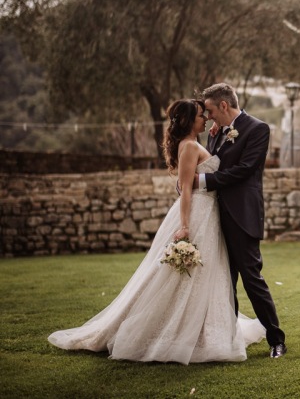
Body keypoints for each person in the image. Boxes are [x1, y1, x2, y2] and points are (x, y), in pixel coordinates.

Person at [48, 99, 266, 364]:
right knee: (181, 276)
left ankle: (203, 330)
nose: (206, 118)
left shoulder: (199, 142)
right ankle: (173, 331)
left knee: (204, 276)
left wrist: (216, 137)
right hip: (196, 213)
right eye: (200, 115)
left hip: (209, 214)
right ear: (188, 121)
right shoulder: (189, 147)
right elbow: (185, 189)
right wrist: (185, 226)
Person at [197, 83, 287, 358]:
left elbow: (245, 170)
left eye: (210, 110)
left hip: (242, 215)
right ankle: (229, 339)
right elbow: (216, 161)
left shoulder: (258, 129)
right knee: (224, 280)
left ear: (224, 105)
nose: (208, 116)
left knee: (251, 278)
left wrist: (201, 181)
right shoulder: (215, 134)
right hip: (215, 216)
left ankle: (277, 340)